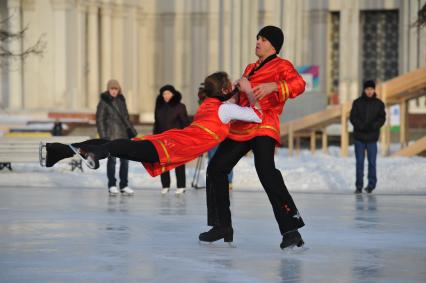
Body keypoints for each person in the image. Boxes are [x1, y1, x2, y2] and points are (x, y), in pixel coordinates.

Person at [42, 72, 263, 191]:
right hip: (175, 146)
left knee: (120, 147)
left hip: (172, 141)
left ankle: (58, 150)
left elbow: (228, 101)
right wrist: (249, 91)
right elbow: (258, 115)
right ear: (224, 91)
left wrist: (234, 88)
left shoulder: (211, 103)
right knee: (121, 147)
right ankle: (92, 153)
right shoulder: (224, 108)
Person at [199, 26, 306, 250]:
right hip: (242, 125)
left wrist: (274, 86)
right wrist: (230, 93)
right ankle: (222, 225)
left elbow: (299, 85)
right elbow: (241, 98)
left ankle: (290, 230)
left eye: (264, 39)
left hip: (264, 124)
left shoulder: (282, 66)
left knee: (267, 172)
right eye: (258, 37)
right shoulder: (250, 67)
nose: (258, 41)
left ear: (274, 45)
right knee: (216, 167)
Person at [96, 79, 136, 196]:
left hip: (123, 136)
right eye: (112, 89)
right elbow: (100, 120)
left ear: (119, 90)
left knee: (125, 162)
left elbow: (126, 118)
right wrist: (104, 136)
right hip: (111, 136)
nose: (114, 91)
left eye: (116, 89)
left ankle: (124, 185)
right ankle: (112, 185)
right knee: (112, 161)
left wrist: (131, 132)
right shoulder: (104, 102)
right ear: (108, 90)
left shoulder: (121, 100)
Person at [350, 80, 386, 194]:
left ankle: (371, 185)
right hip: (359, 138)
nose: (369, 91)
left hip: (372, 138)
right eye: (367, 89)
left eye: (371, 89)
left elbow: (382, 118)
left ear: (374, 90)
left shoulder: (379, 104)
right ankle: (359, 186)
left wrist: (373, 126)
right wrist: (361, 126)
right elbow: (353, 117)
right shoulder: (357, 103)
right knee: (359, 162)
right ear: (364, 90)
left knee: (372, 162)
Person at [154, 85, 190, 195]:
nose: (166, 96)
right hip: (162, 139)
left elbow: (185, 123)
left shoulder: (180, 106)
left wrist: (186, 137)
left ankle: (181, 186)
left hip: (176, 139)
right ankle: (165, 185)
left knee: (178, 162)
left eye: (168, 93)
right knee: (163, 163)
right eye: (164, 94)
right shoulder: (159, 107)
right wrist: (155, 138)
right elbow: (156, 124)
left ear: (173, 94)